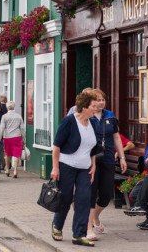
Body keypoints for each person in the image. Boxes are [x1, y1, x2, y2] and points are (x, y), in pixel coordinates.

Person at [50, 89, 100, 247]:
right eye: (93, 105)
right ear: (84, 107)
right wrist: (55, 168)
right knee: (65, 197)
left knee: (84, 199)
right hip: (66, 165)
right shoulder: (69, 121)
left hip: (85, 168)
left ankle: (79, 234)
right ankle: (57, 225)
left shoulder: (93, 123)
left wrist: (94, 165)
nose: (96, 108)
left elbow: (93, 147)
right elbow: (56, 146)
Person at [86, 88, 127, 241]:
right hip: (91, 159)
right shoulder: (87, 116)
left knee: (106, 194)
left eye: (103, 99)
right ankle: (88, 227)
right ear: (91, 101)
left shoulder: (110, 115)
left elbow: (116, 137)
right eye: (98, 99)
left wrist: (122, 157)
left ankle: (95, 216)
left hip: (108, 158)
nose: (101, 102)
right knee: (91, 192)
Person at [0, 101, 25, 178]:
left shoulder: (4, 117)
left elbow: (1, 129)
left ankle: (7, 169)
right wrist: (24, 139)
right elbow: (22, 128)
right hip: (17, 137)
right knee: (16, 153)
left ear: (7, 107)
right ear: (14, 107)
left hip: (7, 137)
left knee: (7, 154)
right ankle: (15, 170)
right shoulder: (18, 116)